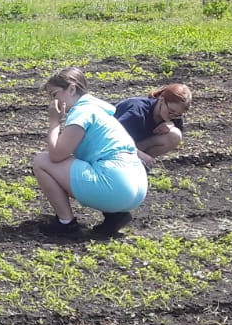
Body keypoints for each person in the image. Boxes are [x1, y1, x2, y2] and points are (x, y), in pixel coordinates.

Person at [32, 67, 148, 238]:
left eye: (55, 94)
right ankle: (114, 215)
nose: (53, 101)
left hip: (116, 187)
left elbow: (56, 155)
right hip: (136, 189)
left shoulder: (81, 113)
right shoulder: (98, 110)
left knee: (42, 161)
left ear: (71, 89)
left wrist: (54, 122)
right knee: (89, 162)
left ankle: (66, 224)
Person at [113, 83, 192, 169]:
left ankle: (136, 165)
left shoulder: (175, 116)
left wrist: (172, 124)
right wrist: (138, 153)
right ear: (162, 98)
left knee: (175, 135)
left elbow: (176, 130)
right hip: (108, 145)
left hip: (132, 145)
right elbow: (112, 138)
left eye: (178, 115)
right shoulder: (137, 112)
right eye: (171, 112)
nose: (173, 116)